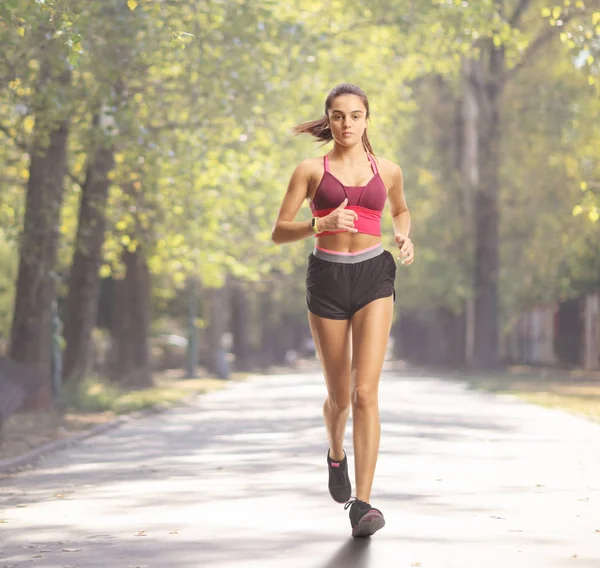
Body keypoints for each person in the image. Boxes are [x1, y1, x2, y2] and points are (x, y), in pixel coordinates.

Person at [271, 83, 414, 538]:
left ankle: (363, 505)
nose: (347, 123)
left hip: (374, 275)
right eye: (338, 116)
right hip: (328, 280)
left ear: (367, 120)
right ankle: (336, 454)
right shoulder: (310, 171)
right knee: (338, 399)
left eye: (355, 115)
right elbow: (278, 231)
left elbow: (401, 210)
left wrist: (404, 235)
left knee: (364, 394)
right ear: (328, 120)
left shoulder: (388, 170)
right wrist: (320, 224)